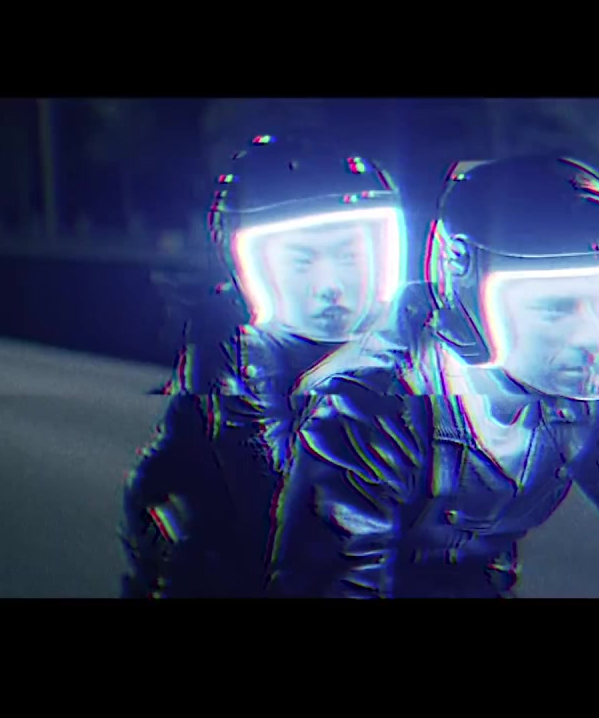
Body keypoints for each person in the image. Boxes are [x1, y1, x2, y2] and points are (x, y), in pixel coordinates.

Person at [268, 156, 599, 598]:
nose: (590, 335)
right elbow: (339, 578)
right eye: (556, 308)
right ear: (465, 281)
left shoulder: (578, 395)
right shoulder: (368, 405)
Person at [120, 134, 410, 598]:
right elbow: (176, 483)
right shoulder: (227, 359)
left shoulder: (415, 360)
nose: (330, 286)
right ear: (245, 263)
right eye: (301, 261)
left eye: (349, 255)